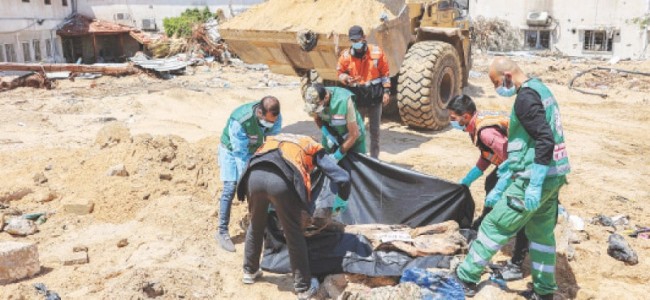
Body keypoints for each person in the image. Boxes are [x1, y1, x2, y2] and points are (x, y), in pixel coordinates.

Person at [454, 57, 570, 300]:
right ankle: (544, 291)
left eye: (496, 82)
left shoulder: (525, 99)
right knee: (541, 236)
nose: (497, 88)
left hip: (533, 178)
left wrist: (533, 184)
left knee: (493, 225)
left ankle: (465, 277)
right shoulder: (541, 89)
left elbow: (543, 140)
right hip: (554, 176)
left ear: (507, 76)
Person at [236, 133, 351, 300]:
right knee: (293, 233)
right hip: (280, 182)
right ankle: (303, 288)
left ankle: (249, 271)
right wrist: (341, 200)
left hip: (253, 176)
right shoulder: (312, 146)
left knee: (256, 224)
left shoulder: (275, 138)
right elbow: (343, 177)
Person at [447, 94, 529, 281]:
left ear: (465, 116)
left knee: (519, 209)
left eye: (453, 118)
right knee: (490, 182)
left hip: (525, 165)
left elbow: (511, 159)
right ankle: (485, 218)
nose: (451, 122)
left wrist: (499, 190)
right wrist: (469, 178)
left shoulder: (485, 132)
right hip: (516, 161)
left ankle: (517, 262)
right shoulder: (475, 127)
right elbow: (488, 155)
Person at [215, 96, 282, 252]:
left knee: (266, 184)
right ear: (259, 112)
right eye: (269, 121)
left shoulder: (274, 115)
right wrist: (245, 181)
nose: (272, 124)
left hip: (256, 149)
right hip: (232, 152)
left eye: (274, 121)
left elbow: (272, 141)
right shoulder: (240, 121)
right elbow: (240, 155)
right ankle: (222, 232)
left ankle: (268, 226)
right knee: (231, 187)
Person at [336, 25, 390, 158]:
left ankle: (374, 160)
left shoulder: (377, 53)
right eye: (353, 41)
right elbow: (339, 72)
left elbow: (385, 74)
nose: (356, 44)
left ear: (364, 38)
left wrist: (387, 91)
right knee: (356, 132)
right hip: (357, 99)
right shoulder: (346, 56)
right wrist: (345, 78)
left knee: (375, 132)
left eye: (358, 40)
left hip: (374, 98)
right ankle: (359, 159)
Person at [303, 83, 366, 159]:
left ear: (326, 97)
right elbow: (317, 119)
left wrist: (337, 156)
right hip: (332, 134)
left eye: (317, 107)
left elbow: (354, 134)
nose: (316, 110)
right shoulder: (314, 97)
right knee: (325, 160)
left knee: (357, 164)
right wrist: (327, 134)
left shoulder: (344, 101)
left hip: (353, 137)